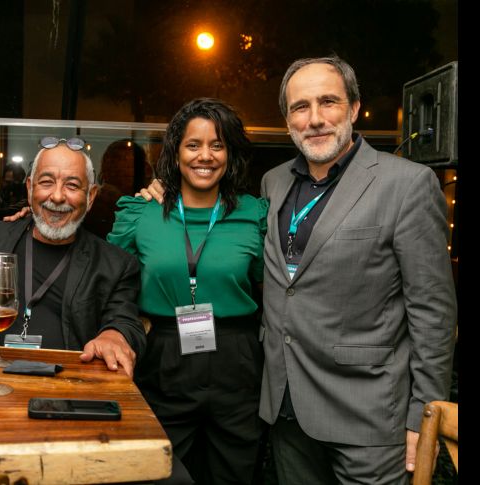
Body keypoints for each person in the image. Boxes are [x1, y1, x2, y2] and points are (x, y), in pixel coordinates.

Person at [142, 56, 458, 484]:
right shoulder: (274, 183)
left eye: (328, 102)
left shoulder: (407, 184)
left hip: (369, 418)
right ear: (288, 119)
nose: (315, 119)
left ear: (354, 108)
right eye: (300, 107)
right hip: (285, 410)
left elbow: (433, 313)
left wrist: (424, 414)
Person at [108, 98, 268, 484]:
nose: (205, 156)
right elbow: (105, 279)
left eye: (217, 145)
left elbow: (274, 286)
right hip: (163, 356)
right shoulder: (141, 213)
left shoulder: (254, 214)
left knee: (234, 474)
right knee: (162, 472)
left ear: (230, 154)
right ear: (176, 152)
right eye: (193, 145)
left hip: (237, 359)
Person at [0, 137, 146, 376]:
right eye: (46, 182)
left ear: (91, 196)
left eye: (72, 185)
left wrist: (114, 336)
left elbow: (125, 320)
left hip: (68, 384)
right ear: (30, 188)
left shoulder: (115, 264)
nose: (57, 196)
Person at [84, 139, 150, 239]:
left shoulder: (144, 200)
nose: (126, 170)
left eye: (130, 165)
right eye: (121, 162)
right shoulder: (99, 202)